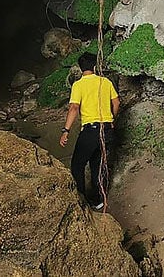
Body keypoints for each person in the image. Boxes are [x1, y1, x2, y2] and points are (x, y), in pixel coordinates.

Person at [59, 52, 120, 210]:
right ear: (94, 66)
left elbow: (73, 107)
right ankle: (99, 200)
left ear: (80, 69)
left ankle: (81, 199)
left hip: (90, 131)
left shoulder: (79, 85)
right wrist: (111, 119)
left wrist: (66, 130)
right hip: (107, 130)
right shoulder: (105, 82)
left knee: (77, 165)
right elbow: (116, 102)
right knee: (98, 166)